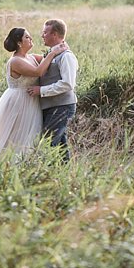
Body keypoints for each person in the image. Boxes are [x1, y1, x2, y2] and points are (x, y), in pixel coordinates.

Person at [0, 28, 68, 162]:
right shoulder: (15, 61)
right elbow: (38, 71)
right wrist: (53, 53)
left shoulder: (31, 57)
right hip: (18, 102)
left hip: (31, 102)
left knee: (30, 135)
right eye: (27, 37)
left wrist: (60, 46)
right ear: (19, 43)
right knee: (13, 134)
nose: (31, 39)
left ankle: (24, 163)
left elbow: (49, 59)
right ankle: (4, 163)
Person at [27, 19, 79, 163]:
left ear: (54, 34)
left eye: (45, 32)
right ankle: (64, 175)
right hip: (52, 106)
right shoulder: (52, 54)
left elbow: (68, 84)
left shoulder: (67, 56)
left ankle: (47, 176)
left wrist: (41, 90)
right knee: (60, 145)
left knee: (48, 143)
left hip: (62, 106)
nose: (42, 35)